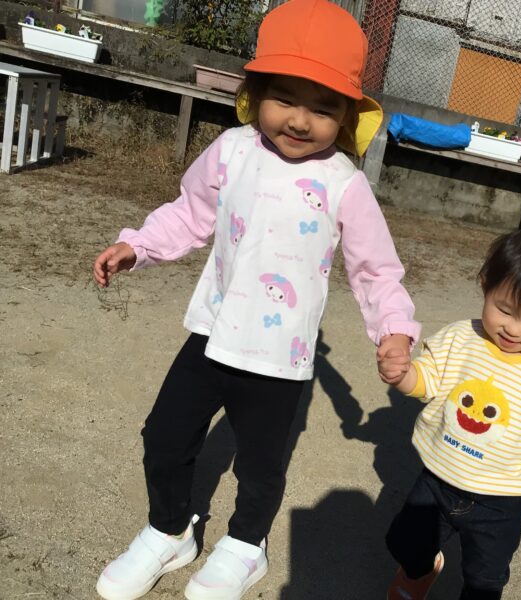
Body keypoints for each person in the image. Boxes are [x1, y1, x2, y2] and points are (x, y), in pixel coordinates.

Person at [92, 1, 420, 598]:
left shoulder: (344, 184)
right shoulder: (232, 150)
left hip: (279, 356)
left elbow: (375, 270)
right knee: (164, 436)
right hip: (213, 333)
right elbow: (189, 214)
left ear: (346, 117)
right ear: (257, 92)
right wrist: (137, 246)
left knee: (260, 464)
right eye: (285, 99)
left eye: (323, 109)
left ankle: (247, 544)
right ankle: (170, 530)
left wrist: (393, 327)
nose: (300, 120)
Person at [378, 229, 521, 600]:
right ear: (485, 285)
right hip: (438, 478)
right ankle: (421, 569)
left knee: (485, 579)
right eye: (504, 310)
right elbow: (429, 379)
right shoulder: (461, 338)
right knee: (405, 544)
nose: (513, 328)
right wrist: (404, 375)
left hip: (500, 499)